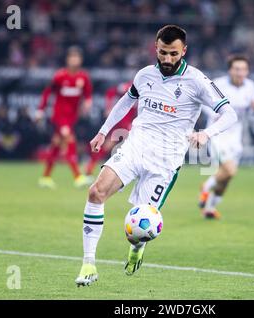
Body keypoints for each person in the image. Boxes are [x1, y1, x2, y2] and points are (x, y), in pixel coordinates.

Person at [75, 25, 238, 286]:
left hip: (166, 160)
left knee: (139, 228)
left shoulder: (197, 81)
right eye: (163, 52)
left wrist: (206, 134)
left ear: (184, 51)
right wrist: (104, 132)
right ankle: (88, 264)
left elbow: (230, 113)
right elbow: (127, 101)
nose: (167, 59)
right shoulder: (144, 75)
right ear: (156, 48)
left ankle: (137, 247)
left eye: (174, 54)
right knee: (96, 192)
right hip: (135, 146)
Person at [199, 55, 254, 219]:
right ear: (230, 70)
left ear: (247, 71)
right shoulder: (219, 84)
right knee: (230, 171)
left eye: (243, 69)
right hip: (218, 134)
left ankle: (210, 208)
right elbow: (203, 104)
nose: (240, 73)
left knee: (226, 178)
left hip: (236, 136)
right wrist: (215, 115)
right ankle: (206, 187)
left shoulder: (251, 87)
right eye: (237, 69)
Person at [36, 46, 93, 188]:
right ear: (67, 60)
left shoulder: (83, 77)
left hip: (72, 117)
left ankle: (45, 177)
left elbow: (88, 95)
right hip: (59, 116)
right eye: (72, 58)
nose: (74, 60)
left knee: (56, 144)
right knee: (70, 140)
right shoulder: (60, 76)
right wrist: (40, 110)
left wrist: (87, 103)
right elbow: (47, 92)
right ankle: (78, 176)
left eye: (77, 57)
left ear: (80, 60)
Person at [85, 81, 137, 177]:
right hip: (121, 123)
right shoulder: (128, 86)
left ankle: (90, 167)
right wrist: (108, 107)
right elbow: (111, 92)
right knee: (109, 145)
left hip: (130, 123)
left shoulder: (148, 91)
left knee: (132, 147)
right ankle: (89, 168)